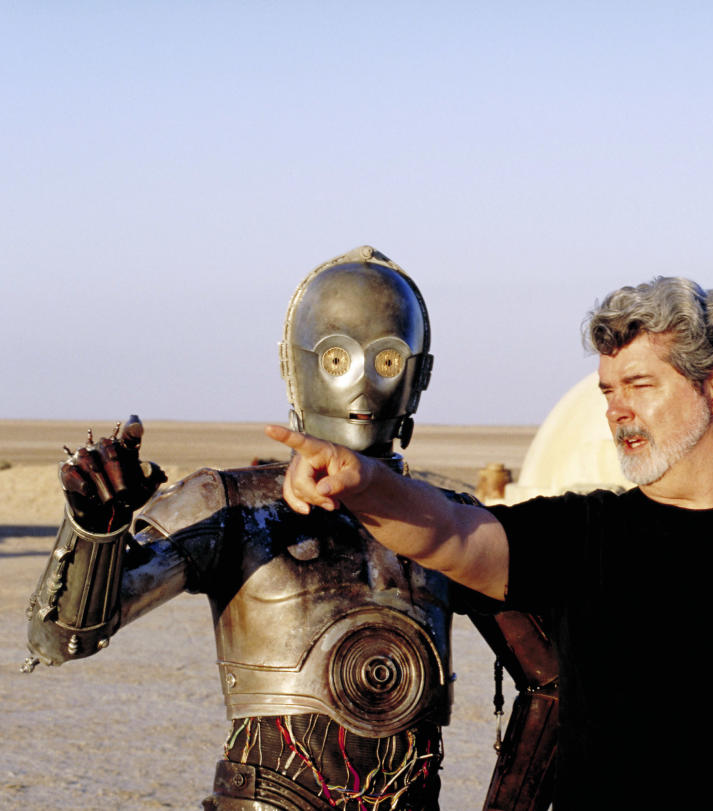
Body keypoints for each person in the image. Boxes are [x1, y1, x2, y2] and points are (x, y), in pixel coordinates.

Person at [269, 276, 713, 810]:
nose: (617, 408)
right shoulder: (584, 537)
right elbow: (450, 532)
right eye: (607, 390)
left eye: (640, 385)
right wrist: (362, 484)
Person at [26, 247, 556, 811]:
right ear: (296, 365)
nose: (362, 386)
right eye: (336, 359)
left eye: (388, 361)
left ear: (419, 372)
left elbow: (551, 680)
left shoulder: (446, 522)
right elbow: (62, 637)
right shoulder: (231, 504)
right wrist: (94, 531)